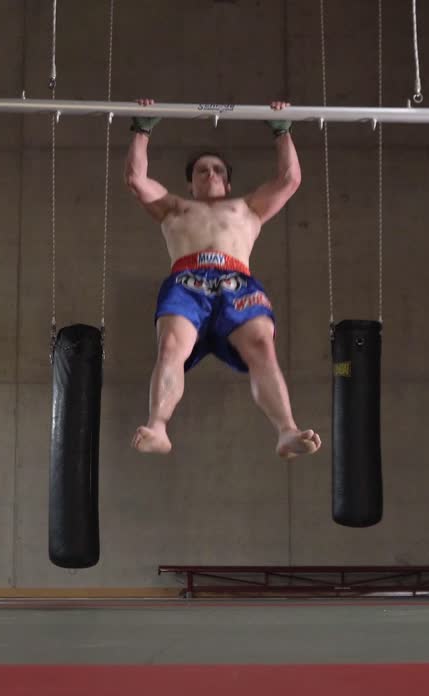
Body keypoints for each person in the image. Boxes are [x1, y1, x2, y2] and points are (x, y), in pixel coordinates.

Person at [124, 98, 322, 460]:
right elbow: (136, 180)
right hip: (187, 281)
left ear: (228, 183)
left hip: (237, 281)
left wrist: (282, 130)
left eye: (217, 169)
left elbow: (290, 179)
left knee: (262, 347)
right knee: (171, 346)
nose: (210, 174)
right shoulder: (174, 207)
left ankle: (286, 430)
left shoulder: (247, 208)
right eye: (202, 170)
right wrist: (142, 129)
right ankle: (158, 426)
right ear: (190, 183)